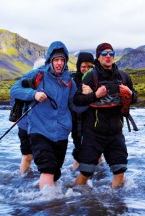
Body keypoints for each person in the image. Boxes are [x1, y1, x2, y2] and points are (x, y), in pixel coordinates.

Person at [11, 41, 77, 190]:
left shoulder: (70, 82)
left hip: (61, 134)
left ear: (65, 61)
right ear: (50, 61)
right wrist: (34, 94)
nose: (59, 63)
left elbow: (76, 104)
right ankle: (48, 206)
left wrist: (92, 96)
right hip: (39, 130)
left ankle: (52, 204)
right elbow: (14, 90)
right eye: (56, 60)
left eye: (62, 60)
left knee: (55, 173)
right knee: (47, 169)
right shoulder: (38, 75)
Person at [72, 43, 138, 189]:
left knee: (120, 170)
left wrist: (130, 93)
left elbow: (135, 98)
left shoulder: (124, 76)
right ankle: (71, 197)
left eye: (111, 53)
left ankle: (114, 204)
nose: (108, 56)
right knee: (86, 172)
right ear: (98, 57)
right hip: (93, 133)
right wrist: (95, 95)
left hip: (116, 132)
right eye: (104, 53)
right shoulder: (90, 76)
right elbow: (77, 100)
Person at [9, 57, 46, 175]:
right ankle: (26, 179)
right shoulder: (24, 84)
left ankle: (24, 179)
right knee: (29, 155)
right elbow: (14, 97)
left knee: (29, 156)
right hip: (26, 125)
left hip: (32, 126)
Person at [71, 52, 94, 171]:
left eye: (90, 67)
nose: (86, 69)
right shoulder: (72, 79)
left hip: (92, 119)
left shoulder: (97, 79)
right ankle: (75, 168)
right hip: (75, 118)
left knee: (94, 146)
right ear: (79, 66)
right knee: (77, 143)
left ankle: (98, 170)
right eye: (84, 66)